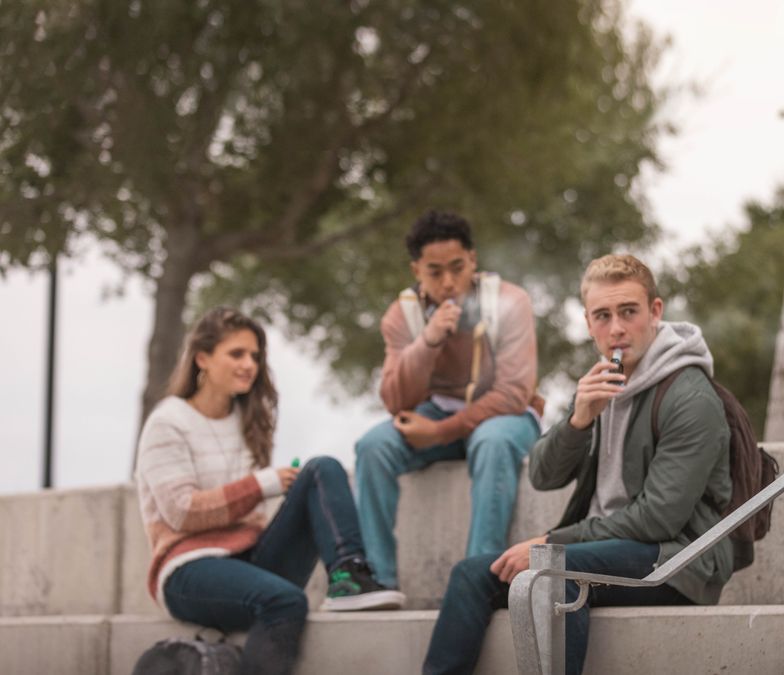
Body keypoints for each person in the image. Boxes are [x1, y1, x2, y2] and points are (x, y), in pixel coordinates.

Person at [423, 253, 734, 675]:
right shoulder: (602, 382)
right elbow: (542, 475)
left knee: (553, 574)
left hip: (677, 562)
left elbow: (658, 519)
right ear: (588, 323)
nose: (617, 328)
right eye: (602, 316)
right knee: (471, 575)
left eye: (628, 312)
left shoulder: (690, 398)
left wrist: (552, 541)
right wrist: (578, 420)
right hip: (598, 554)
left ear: (655, 312)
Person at [135, 307, 403, 675]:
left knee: (322, 468)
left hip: (251, 557)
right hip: (188, 570)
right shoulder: (169, 420)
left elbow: (252, 514)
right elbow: (181, 511)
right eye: (237, 354)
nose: (249, 364)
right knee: (285, 601)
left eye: (255, 356)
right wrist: (263, 483)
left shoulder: (247, 421)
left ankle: (348, 576)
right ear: (202, 359)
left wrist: (279, 494)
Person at [353, 210, 543, 593]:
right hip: (436, 412)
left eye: (458, 268)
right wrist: (428, 342)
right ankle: (378, 580)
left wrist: (440, 432)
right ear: (416, 271)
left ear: (473, 259)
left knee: (492, 442)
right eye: (435, 272)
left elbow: (513, 393)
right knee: (372, 446)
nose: (449, 282)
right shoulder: (400, 316)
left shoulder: (509, 301)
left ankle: (478, 580)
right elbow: (395, 400)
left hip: (504, 416)